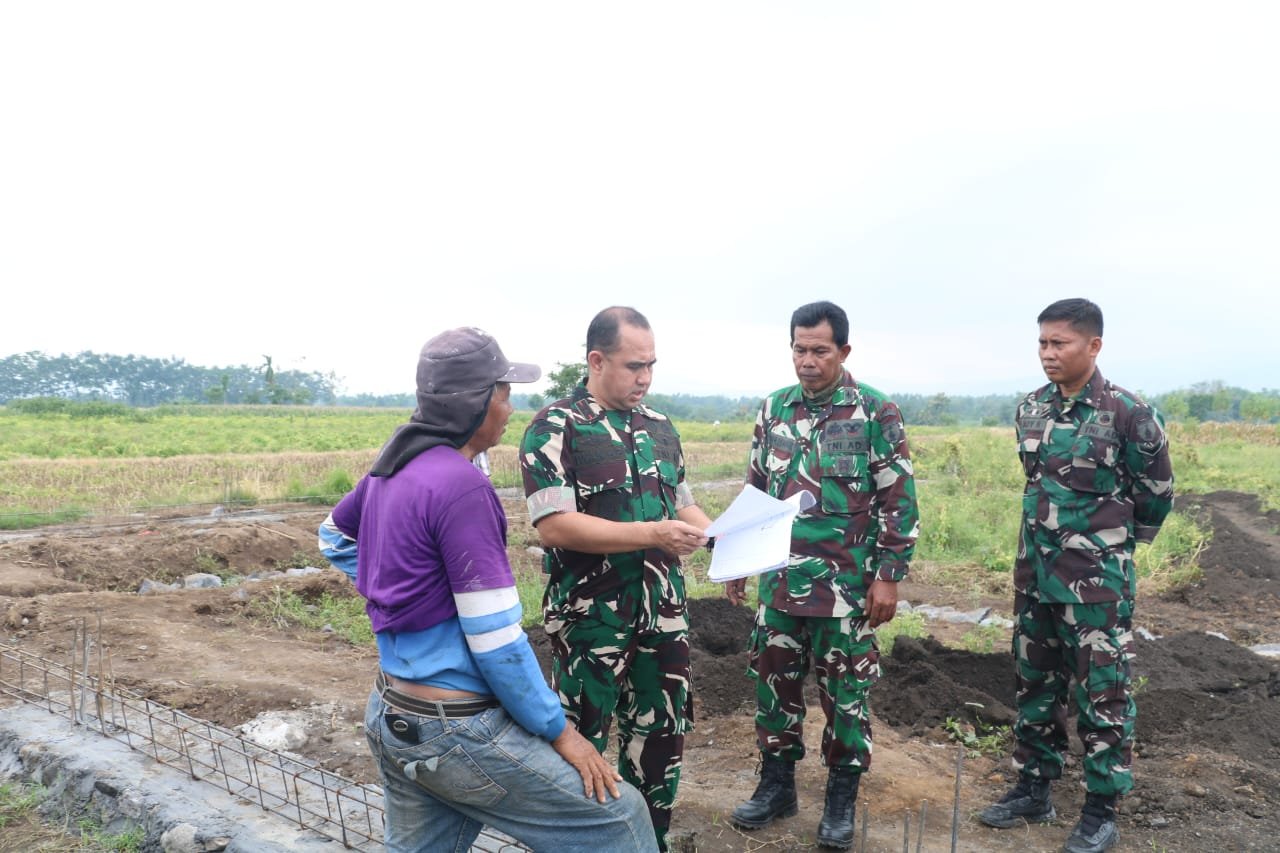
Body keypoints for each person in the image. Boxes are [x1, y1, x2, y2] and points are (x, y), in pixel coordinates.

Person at [317, 327, 657, 853]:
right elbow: (497, 642)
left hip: (393, 710)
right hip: (454, 729)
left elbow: (334, 536)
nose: (510, 406)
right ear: (475, 403)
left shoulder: (394, 466)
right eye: (503, 393)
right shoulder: (462, 488)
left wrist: (404, 593)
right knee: (619, 818)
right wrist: (562, 734)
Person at [979, 299, 1174, 853]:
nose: (1048, 353)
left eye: (1059, 343)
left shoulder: (1129, 413)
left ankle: (1100, 809)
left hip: (1096, 588)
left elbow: (1155, 498)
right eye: (1042, 342)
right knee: (1035, 686)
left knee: (1102, 693)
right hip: (1035, 578)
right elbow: (1037, 482)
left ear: (1094, 346)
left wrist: (1106, 550)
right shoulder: (1031, 409)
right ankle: (1033, 788)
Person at [724, 300, 919, 850]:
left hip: (846, 587)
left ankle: (839, 800)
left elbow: (897, 497)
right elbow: (756, 490)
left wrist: (888, 575)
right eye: (799, 349)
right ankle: (776, 785)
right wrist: (739, 561)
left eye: (819, 351)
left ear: (844, 351)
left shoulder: (875, 411)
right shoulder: (774, 409)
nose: (807, 361)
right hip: (781, 584)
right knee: (774, 686)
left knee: (846, 694)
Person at [519, 306, 712, 851]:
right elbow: (555, 525)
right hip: (591, 622)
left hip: (663, 614)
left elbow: (684, 504)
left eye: (651, 365)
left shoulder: (660, 427)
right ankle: (577, 842)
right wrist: (653, 533)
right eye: (633, 366)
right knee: (578, 743)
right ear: (596, 360)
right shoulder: (557, 427)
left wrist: (725, 539)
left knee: (661, 738)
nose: (644, 378)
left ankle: (650, 841)